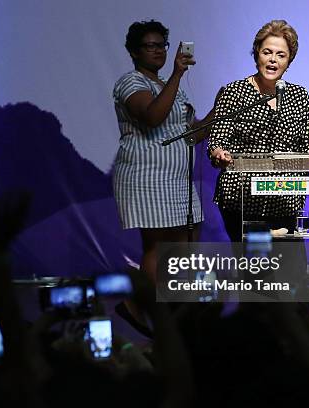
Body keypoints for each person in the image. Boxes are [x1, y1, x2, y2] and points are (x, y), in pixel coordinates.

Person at [112, 20, 209, 335]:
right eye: (149, 46)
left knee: (185, 242)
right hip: (147, 176)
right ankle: (140, 307)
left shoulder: (170, 88)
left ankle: (168, 308)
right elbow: (152, 118)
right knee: (157, 246)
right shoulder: (130, 82)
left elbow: (192, 135)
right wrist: (179, 75)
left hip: (178, 179)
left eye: (161, 46)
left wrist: (221, 110)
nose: (157, 51)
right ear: (133, 52)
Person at [208, 20, 309, 242]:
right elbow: (217, 140)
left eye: (281, 55)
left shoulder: (299, 96)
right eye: (267, 52)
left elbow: (308, 143)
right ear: (256, 54)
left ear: (289, 61)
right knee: (257, 271)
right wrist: (219, 153)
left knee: (291, 270)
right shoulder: (234, 92)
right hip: (243, 199)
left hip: (285, 199)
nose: (273, 60)